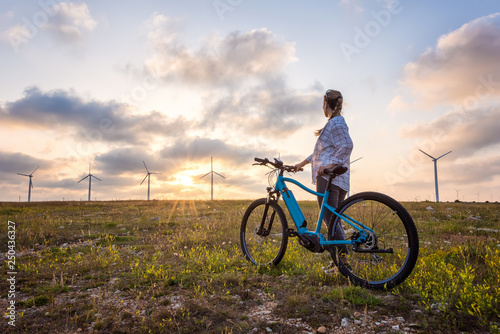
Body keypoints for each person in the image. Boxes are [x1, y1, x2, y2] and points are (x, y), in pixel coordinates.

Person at [294, 89, 353, 256]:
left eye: (322, 104)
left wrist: (330, 165)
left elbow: (347, 145)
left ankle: (342, 262)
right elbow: (321, 152)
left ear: (326, 104)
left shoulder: (336, 124)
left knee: (330, 221)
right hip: (339, 179)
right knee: (334, 221)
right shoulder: (336, 123)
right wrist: (302, 163)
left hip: (329, 178)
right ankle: (341, 260)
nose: (322, 107)